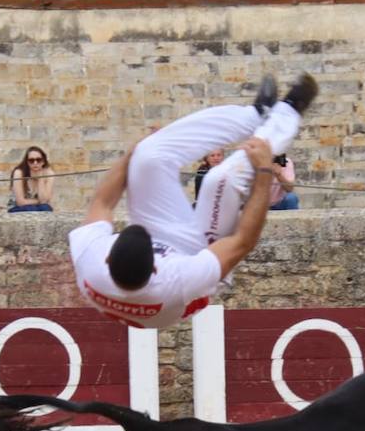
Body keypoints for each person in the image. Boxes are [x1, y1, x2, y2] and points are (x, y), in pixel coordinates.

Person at [69, 73, 317, 329]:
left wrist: (133, 152)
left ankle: (255, 115)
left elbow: (102, 202)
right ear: (155, 268)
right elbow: (243, 242)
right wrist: (265, 171)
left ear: (108, 260)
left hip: (161, 245)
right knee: (220, 180)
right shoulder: (179, 278)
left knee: (147, 155)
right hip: (194, 254)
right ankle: (287, 113)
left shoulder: (91, 261)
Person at [9, 146, 53, 212]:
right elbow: (20, 202)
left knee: (46, 208)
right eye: (31, 160)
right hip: (18, 207)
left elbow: (44, 201)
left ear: (43, 161)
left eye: (38, 160)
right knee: (32, 209)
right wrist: (39, 201)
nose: (35, 163)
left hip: (39, 207)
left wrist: (40, 178)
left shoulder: (49, 173)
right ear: (27, 162)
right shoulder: (19, 173)